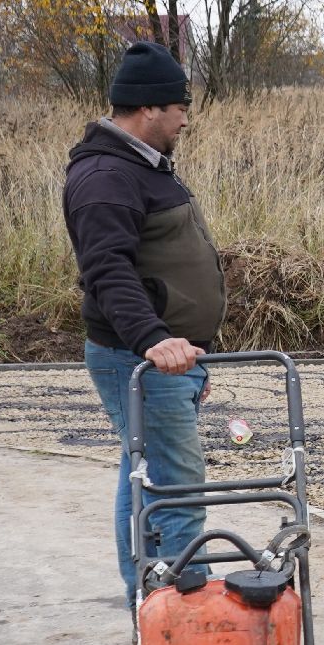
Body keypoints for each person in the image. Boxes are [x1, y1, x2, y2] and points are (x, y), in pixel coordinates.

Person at [63, 41, 225, 609]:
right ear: (149, 108)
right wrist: (155, 340)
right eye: (180, 105)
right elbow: (107, 271)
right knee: (178, 482)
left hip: (165, 359)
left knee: (145, 474)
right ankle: (184, 606)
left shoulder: (139, 166)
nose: (186, 117)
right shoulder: (106, 175)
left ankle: (150, 599)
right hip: (140, 358)